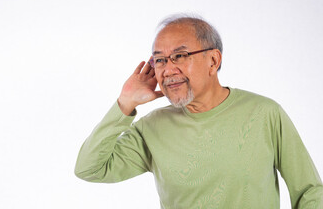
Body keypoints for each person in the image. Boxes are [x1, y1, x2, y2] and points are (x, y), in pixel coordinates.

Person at [74, 15, 323, 208]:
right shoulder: (151, 128)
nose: (167, 69)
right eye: (159, 60)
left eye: (179, 56)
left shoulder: (265, 113)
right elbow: (90, 169)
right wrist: (124, 104)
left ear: (213, 61)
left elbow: (309, 191)